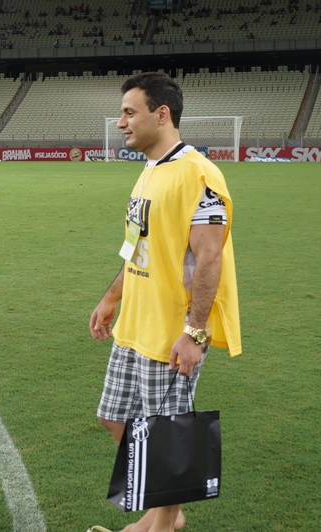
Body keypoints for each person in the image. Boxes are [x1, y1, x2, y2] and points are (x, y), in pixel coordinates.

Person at [88, 72, 241, 532]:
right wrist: (111, 297)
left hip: (172, 332)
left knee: (168, 436)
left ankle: (160, 524)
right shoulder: (150, 170)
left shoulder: (199, 174)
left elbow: (210, 256)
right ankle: (165, 514)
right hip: (134, 325)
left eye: (128, 112)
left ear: (161, 114)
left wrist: (194, 333)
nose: (121, 123)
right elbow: (137, 245)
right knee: (113, 417)